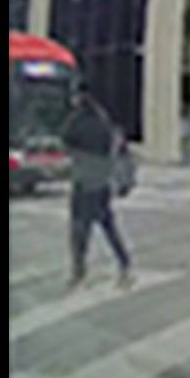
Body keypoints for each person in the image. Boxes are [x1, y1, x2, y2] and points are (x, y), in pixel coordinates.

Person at [62, 91, 133, 290]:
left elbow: (66, 139)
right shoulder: (105, 125)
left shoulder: (77, 123)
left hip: (83, 182)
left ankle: (79, 270)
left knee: (79, 229)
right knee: (108, 226)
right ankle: (124, 261)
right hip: (101, 183)